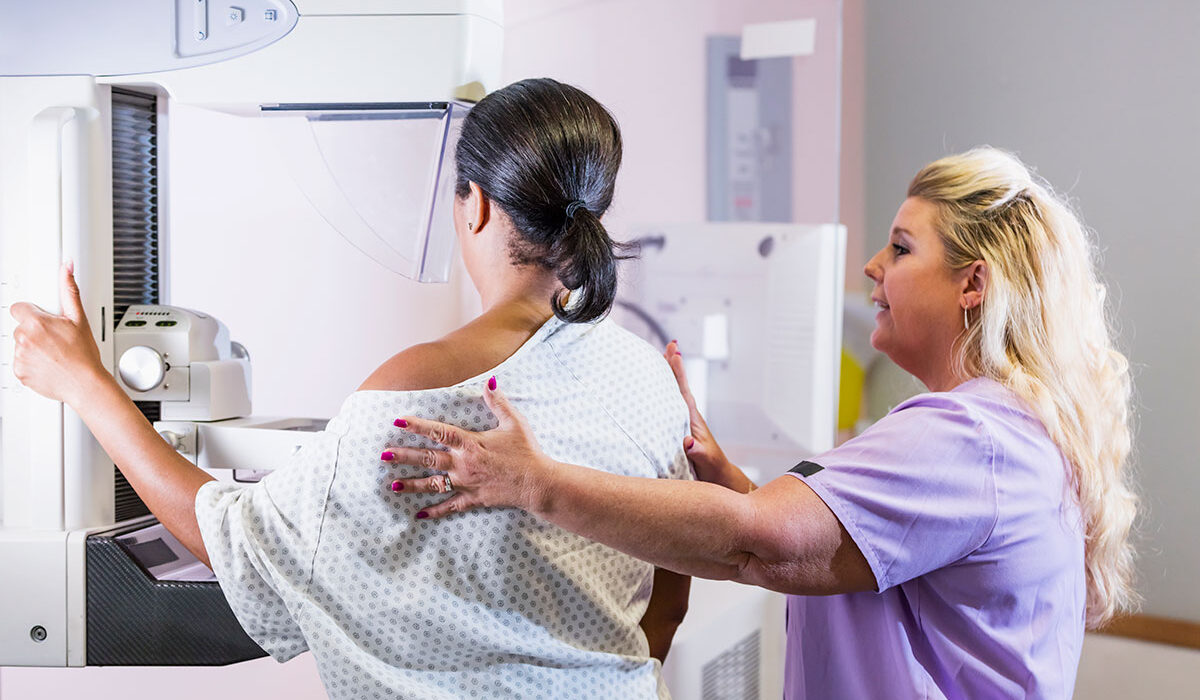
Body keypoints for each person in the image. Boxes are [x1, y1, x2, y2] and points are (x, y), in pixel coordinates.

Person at [10, 78, 693, 698]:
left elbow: (235, 543)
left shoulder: (415, 390)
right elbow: (669, 599)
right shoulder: (648, 381)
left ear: (475, 207)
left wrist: (87, 385)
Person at [385, 147, 1139, 699]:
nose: (874, 266)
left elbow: (761, 547)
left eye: (903, 249)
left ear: (973, 284)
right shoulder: (1006, 431)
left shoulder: (967, 437)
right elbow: (843, 555)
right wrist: (734, 484)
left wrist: (532, 483)